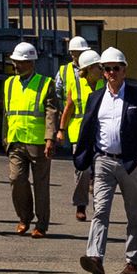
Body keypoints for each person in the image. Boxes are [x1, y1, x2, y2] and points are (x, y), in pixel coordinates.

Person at [71, 44, 137, 274]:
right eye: (107, 69)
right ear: (103, 72)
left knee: (134, 212)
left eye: (116, 68)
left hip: (130, 163)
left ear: (124, 70)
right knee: (100, 210)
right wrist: (86, 157)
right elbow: (88, 128)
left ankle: (132, 261)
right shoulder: (96, 98)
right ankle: (95, 258)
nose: (111, 73)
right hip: (103, 160)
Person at [0, 40, 55, 238]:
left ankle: (41, 224)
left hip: (38, 142)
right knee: (16, 179)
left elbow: (50, 112)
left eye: (20, 62)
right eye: (14, 61)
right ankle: (24, 217)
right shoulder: (9, 83)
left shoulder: (45, 83)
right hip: (15, 140)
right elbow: (6, 113)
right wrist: (5, 138)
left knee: (41, 184)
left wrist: (50, 139)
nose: (16, 65)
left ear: (31, 63)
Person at [57, 39, 96, 223]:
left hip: (99, 132)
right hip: (78, 132)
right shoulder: (70, 78)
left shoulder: (106, 84)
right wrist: (61, 129)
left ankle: (100, 206)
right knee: (82, 170)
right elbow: (67, 106)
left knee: (100, 171)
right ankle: (81, 205)